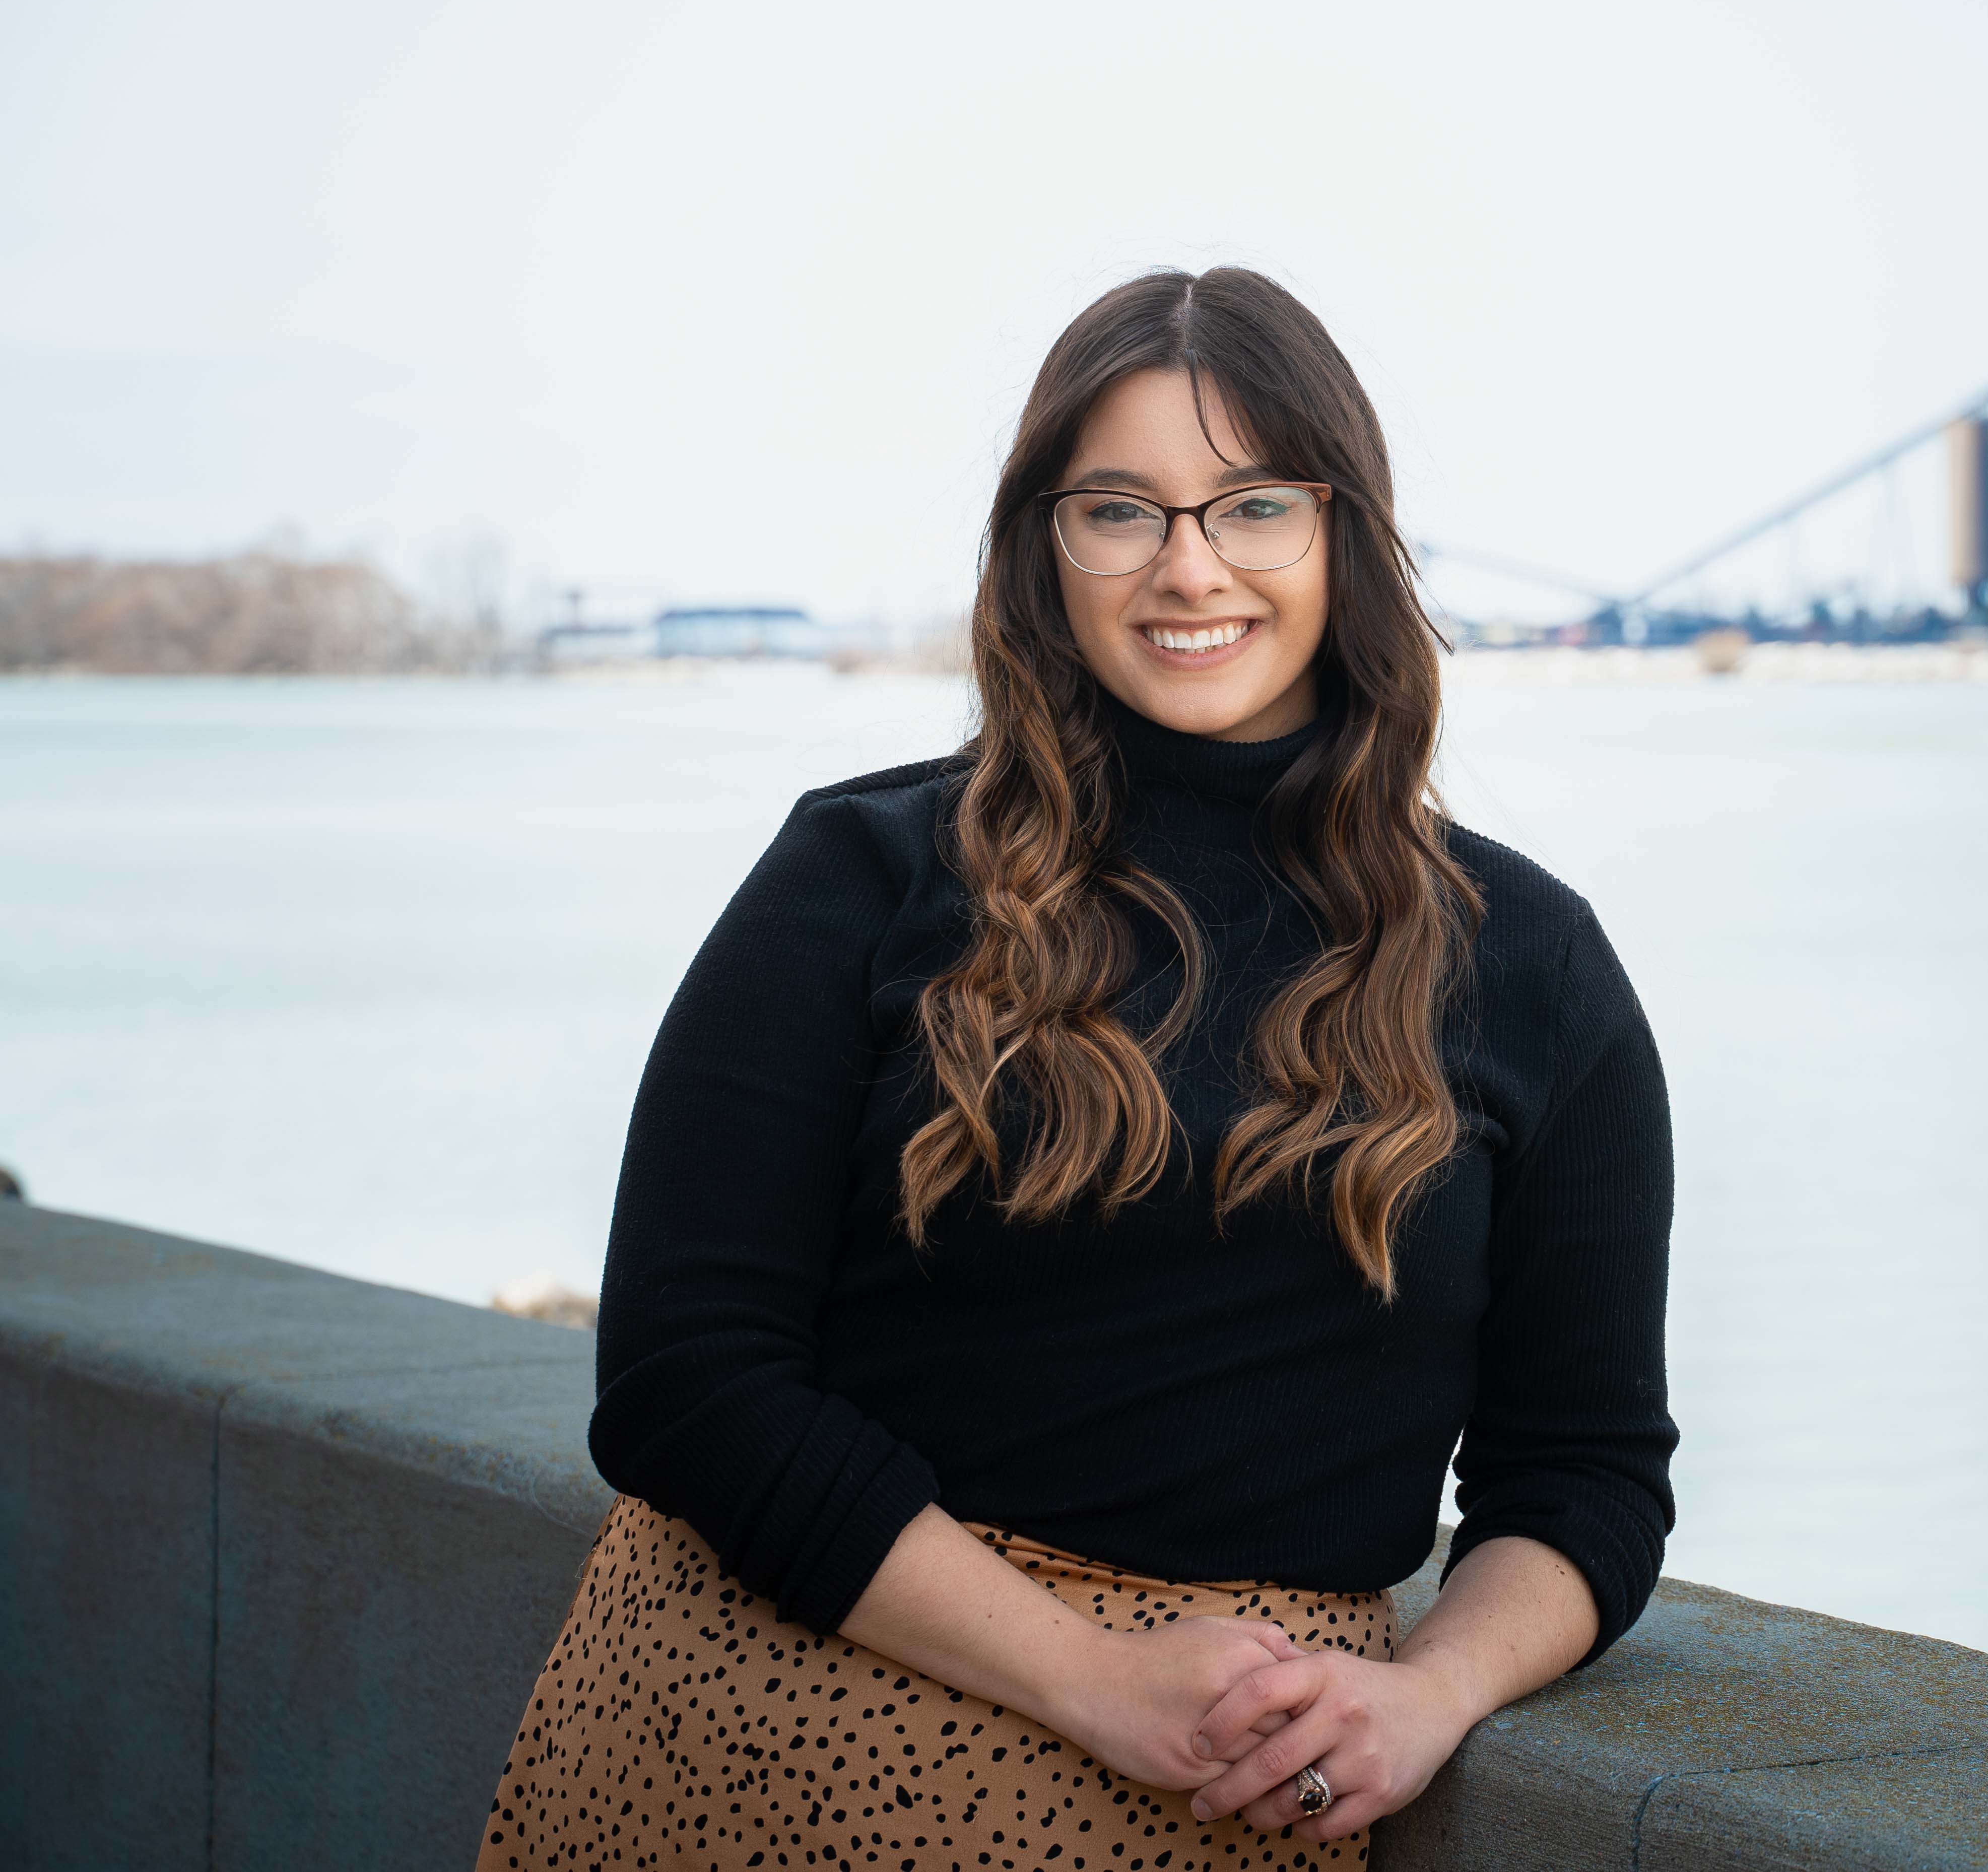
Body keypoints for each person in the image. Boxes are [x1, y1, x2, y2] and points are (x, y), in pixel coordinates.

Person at [476, 266, 1677, 1872]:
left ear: (1343, 535)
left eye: (1251, 505)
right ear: (1045, 547)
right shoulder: (859, 870)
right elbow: (688, 1376)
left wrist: (1431, 1692)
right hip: (743, 1725)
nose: (1189, 566)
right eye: (1120, 509)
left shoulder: (1530, 961)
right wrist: (1095, 1678)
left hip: (1215, 1799)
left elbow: (1584, 1473)